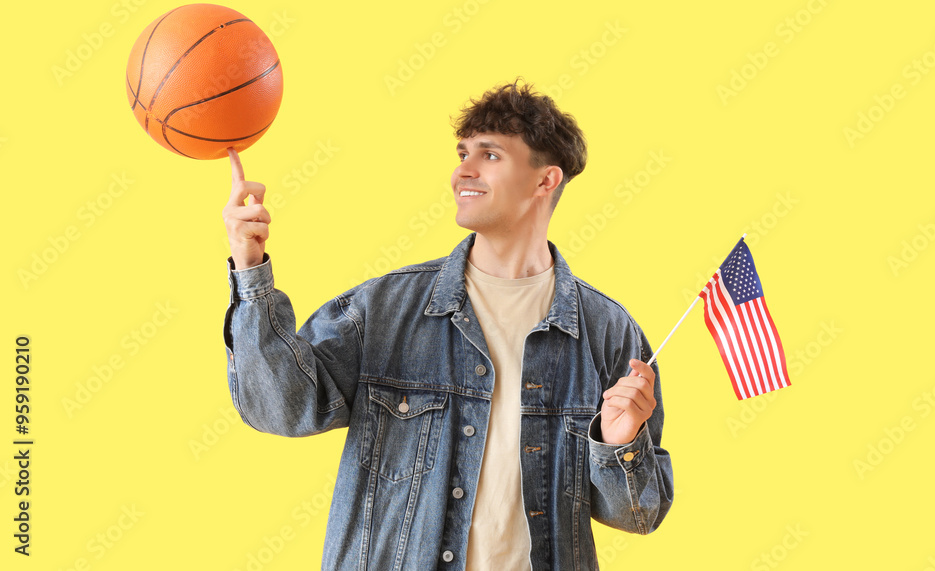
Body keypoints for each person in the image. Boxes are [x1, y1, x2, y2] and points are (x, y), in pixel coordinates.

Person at [221, 79, 674, 570]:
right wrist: (250, 269)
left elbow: (640, 514)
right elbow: (282, 410)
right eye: (462, 153)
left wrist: (620, 442)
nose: (464, 170)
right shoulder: (386, 309)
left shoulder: (608, 333)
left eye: (490, 155)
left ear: (545, 181)